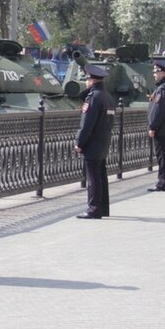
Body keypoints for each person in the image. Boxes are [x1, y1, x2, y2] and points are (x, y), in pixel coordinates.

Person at [74, 64, 115, 219]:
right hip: (103, 141)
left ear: (91, 80)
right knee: (101, 176)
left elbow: (87, 124)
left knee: (92, 178)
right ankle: (103, 207)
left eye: (86, 78)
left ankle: (93, 208)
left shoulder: (93, 97)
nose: (86, 82)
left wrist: (79, 142)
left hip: (92, 143)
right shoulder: (108, 97)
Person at [146, 58, 165, 192]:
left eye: (155, 72)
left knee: (163, 157)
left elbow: (158, 110)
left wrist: (153, 126)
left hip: (162, 129)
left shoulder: (162, 89)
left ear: (162, 72)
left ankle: (163, 182)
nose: (154, 75)